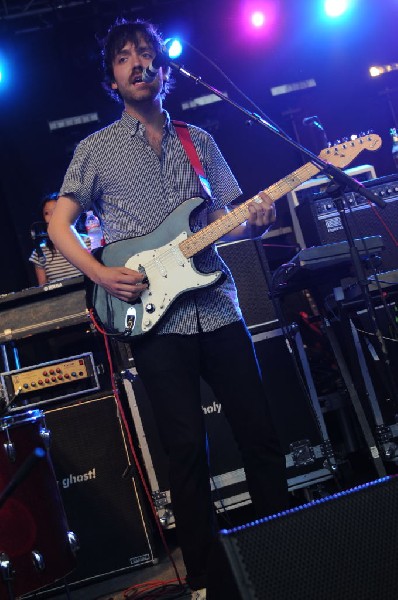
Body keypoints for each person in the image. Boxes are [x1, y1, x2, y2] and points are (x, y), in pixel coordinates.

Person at [48, 19, 289, 599]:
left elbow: (233, 217)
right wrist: (102, 272)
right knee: (184, 453)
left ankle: (282, 553)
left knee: (260, 434)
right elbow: (59, 225)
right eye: (125, 57)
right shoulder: (95, 150)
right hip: (158, 320)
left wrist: (260, 218)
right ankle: (206, 581)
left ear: (162, 69)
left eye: (148, 56)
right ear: (111, 75)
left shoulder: (198, 140)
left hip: (219, 308)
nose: (139, 64)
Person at [29, 193, 90, 285]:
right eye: (47, 213)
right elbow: (43, 288)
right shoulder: (40, 252)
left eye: (56, 211)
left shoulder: (87, 241)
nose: (52, 217)